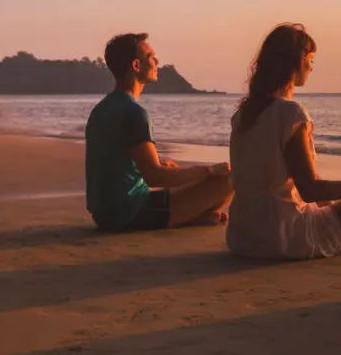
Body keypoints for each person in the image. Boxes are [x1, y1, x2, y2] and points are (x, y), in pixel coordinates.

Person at [226, 23, 341, 260]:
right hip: (282, 238)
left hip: (242, 236)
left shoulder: (244, 114)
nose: (312, 68)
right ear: (298, 60)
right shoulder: (290, 114)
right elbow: (310, 190)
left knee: (331, 207)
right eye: (311, 59)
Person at [85, 32, 233, 232]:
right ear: (136, 66)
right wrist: (208, 171)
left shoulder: (102, 109)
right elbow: (155, 178)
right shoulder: (134, 112)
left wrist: (164, 166)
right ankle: (187, 217)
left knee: (174, 171)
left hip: (104, 214)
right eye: (150, 57)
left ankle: (192, 216)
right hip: (130, 213)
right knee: (228, 179)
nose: (157, 61)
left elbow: (113, 160)